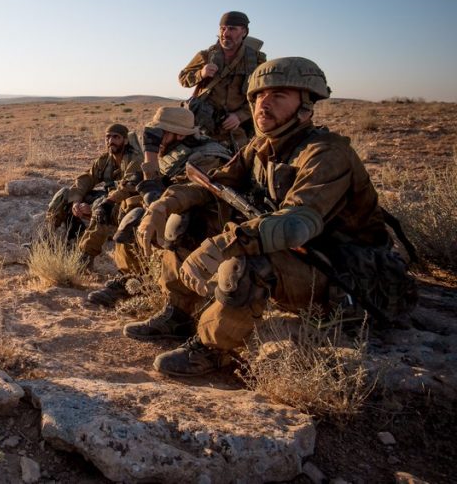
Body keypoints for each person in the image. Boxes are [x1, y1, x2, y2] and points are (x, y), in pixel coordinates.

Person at [128, 57, 417, 377]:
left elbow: (295, 224)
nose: (264, 103)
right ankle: (178, 315)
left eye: (278, 96)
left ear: (305, 106)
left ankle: (214, 349)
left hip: (345, 273)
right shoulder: (260, 147)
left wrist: (222, 244)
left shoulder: (326, 153)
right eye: (258, 96)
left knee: (248, 261)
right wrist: (162, 207)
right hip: (303, 258)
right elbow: (214, 186)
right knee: (188, 219)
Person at [86, 107, 231, 306]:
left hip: (203, 221)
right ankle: (133, 280)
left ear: (179, 134)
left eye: (160, 133)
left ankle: (175, 299)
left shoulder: (208, 156)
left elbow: (187, 193)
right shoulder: (174, 150)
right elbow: (138, 181)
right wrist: (110, 201)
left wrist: (158, 198)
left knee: (151, 218)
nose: (155, 140)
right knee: (128, 208)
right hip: (168, 207)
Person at [43, 123, 141, 260]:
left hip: (126, 203)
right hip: (109, 198)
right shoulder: (105, 159)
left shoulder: (135, 160)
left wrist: (97, 205)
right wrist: (76, 200)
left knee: (100, 206)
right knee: (65, 193)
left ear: (125, 140)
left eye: (116, 137)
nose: (110, 141)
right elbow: (87, 178)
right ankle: (44, 240)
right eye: (108, 137)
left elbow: (127, 189)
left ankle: (85, 257)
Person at [178, 11, 266, 149]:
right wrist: (201, 73)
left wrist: (240, 116)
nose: (225, 33)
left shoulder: (256, 60)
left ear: (243, 32)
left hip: (235, 128)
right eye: (222, 29)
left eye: (232, 29)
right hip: (203, 124)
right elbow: (183, 78)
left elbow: (263, 95)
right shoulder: (206, 56)